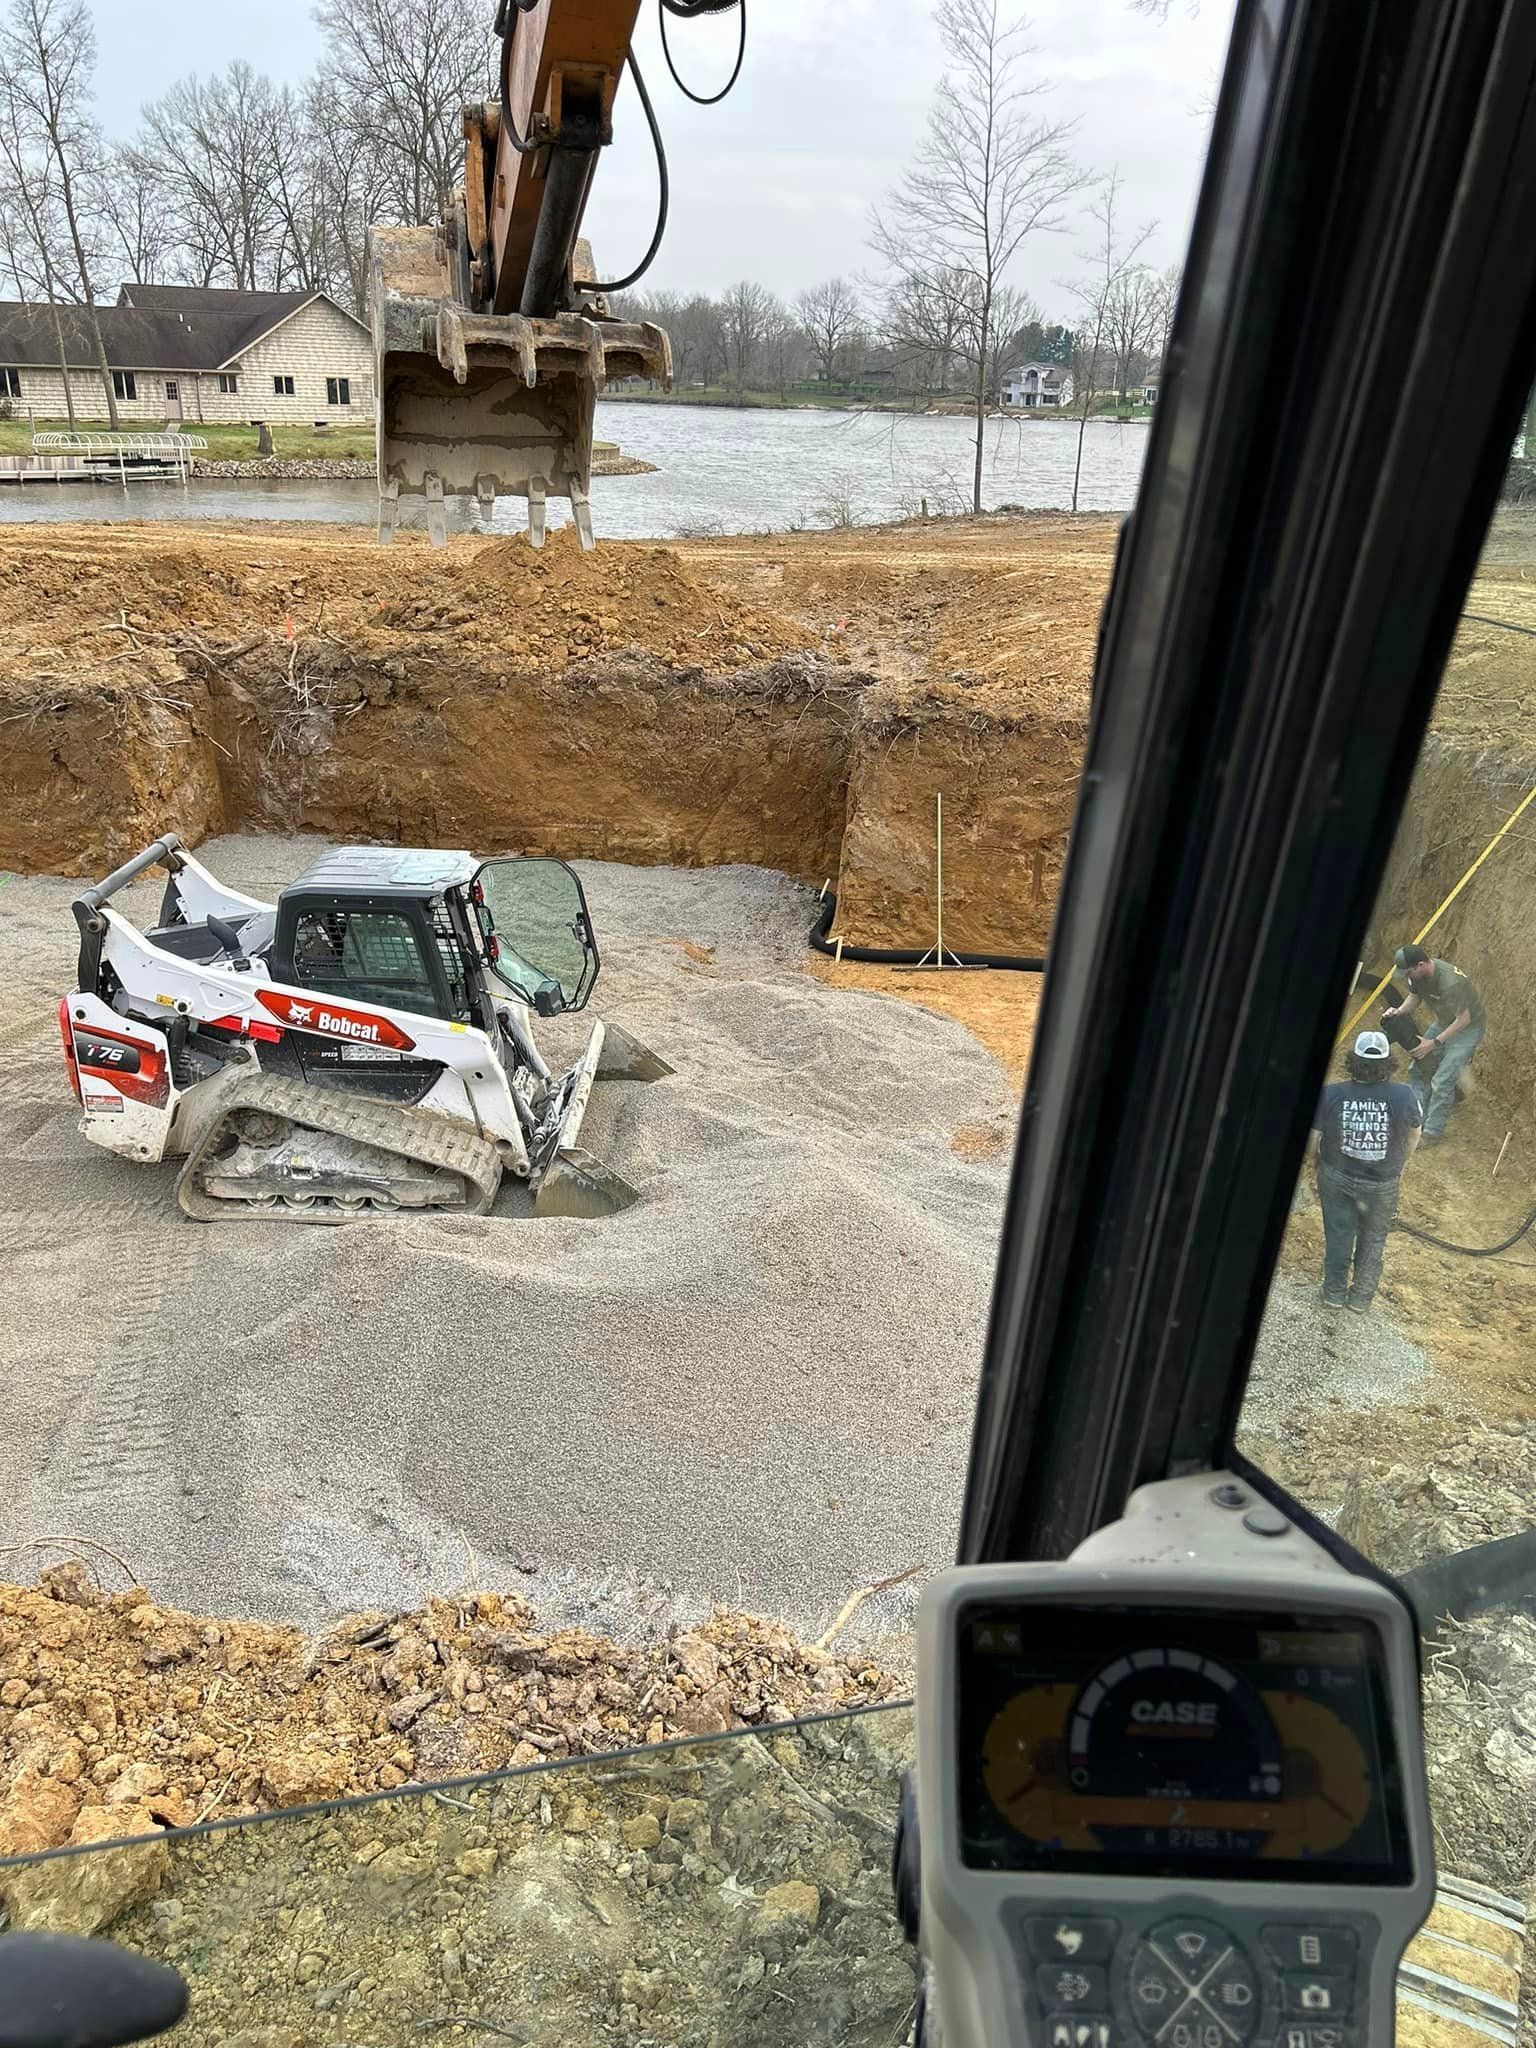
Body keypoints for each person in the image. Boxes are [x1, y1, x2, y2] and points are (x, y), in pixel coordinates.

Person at [1309, 1030, 1422, 1313]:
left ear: (1353, 1061)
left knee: (1339, 1234)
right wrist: (1400, 1164)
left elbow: (1313, 1138)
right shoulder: (1404, 1095)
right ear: (1387, 1064)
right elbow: (1414, 1134)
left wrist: (1315, 1164)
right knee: (1373, 1239)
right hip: (1382, 1183)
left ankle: (1333, 1295)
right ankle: (1360, 1299)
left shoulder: (1331, 1093)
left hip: (1336, 1176)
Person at [1382, 943, 1485, 1142]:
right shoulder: (1417, 976)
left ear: (1420, 965)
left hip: (1467, 1029)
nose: (1405, 977)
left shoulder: (1451, 982)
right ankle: (1417, 1118)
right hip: (1445, 1022)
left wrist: (1433, 1043)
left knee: (1441, 1081)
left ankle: (1432, 1133)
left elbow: (1464, 1019)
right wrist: (1398, 1011)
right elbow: (1414, 998)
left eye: (1407, 972)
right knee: (1417, 1069)